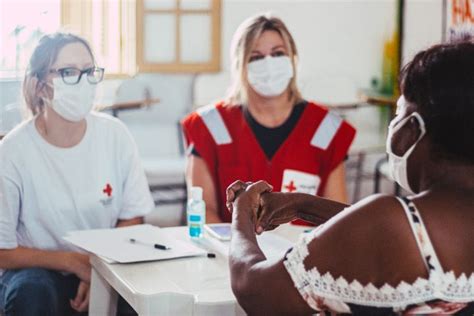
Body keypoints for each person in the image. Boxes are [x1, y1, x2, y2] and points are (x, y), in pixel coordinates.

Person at [226, 40, 474, 315]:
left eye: (399, 113)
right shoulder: (411, 226)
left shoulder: (384, 219)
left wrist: (242, 216)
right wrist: (302, 205)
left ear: (414, 129)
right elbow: (392, 232)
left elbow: (254, 290)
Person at [0, 33, 154, 315]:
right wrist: (72, 262)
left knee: (139, 299)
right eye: (68, 72)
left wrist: (98, 268)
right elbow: (2, 250)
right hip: (36, 270)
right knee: (31, 293)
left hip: (107, 262)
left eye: (89, 71)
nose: (83, 82)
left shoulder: (114, 135)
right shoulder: (13, 151)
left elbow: (133, 218)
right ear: (40, 85)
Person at [181, 13, 356, 224]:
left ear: (292, 59)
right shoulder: (208, 125)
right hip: (231, 250)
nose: (268, 64)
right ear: (240, 66)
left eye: (278, 53)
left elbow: (337, 216)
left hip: (305, 253)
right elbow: (202, 210)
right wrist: (236, 249)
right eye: (255, 57)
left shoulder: (325, 128)